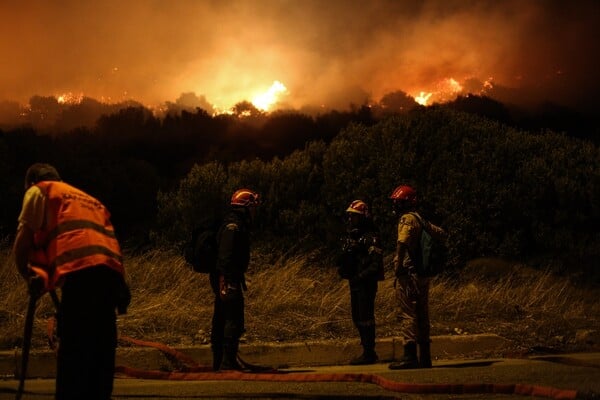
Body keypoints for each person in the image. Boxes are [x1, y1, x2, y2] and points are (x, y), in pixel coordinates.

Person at [12, 163, 130, 400]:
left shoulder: (40, 191)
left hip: (81, 282)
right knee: (100, 361)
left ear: (32, 182)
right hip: (112, 282)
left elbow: (22, 244)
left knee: (73, 364)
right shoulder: (89, 199)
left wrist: (29, 278)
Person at [388, 185, 446, 370]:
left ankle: (409, 356)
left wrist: (398, 267)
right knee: (423, 315)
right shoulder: (421, 220)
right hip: (422, 275)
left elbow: (402, 242)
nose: (396, 206)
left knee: (407, 314)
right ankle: (425, 357)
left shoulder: (406, 219)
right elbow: (442, 234)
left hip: (409, 275)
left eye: (398, 202)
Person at [210, 188, 260, 371]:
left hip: (226, 277)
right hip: (228, 278)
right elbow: (226, 256)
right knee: (233, 319)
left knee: (223, 318)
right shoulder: (234, 227)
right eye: (253, 207)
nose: (255, 212)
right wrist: (227, 280)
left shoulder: (232, 223)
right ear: (245, 208)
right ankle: (227, 362)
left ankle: (221, 361)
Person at [337, 200, 384, 365]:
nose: (350, 220)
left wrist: (361, 276)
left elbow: (375, 264)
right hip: (356, 282)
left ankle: (369, 352)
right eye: (349, 217)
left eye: (354, 216)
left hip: (365, 283)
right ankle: (366, 349)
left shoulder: (371, 237)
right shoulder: (353, 236)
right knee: (357, 316)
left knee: (366, 317)